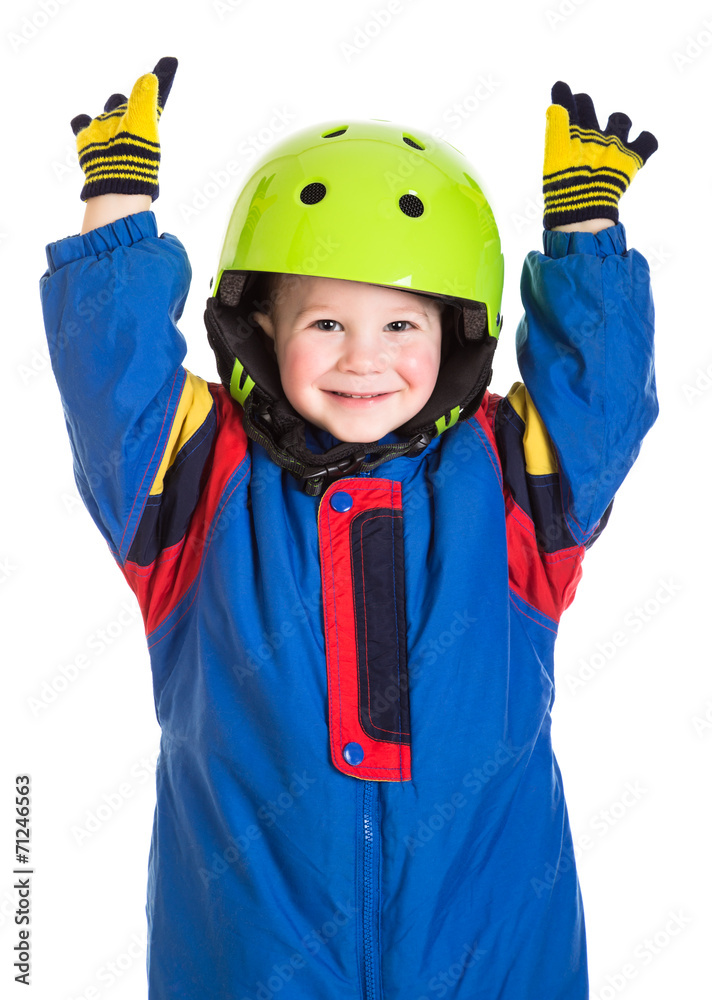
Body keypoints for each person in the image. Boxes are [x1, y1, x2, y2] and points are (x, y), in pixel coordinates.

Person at [40, 57, 658, 1000]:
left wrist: (586, 235)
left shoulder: (509, 486)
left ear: (455, 337)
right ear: (258, 330)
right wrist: (115, 211)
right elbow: (112, 389)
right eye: (324, 323)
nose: (364, 359)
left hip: (493, 962)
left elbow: (599, 405)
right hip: (250, 967)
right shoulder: (198, 485)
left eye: (401, 326)